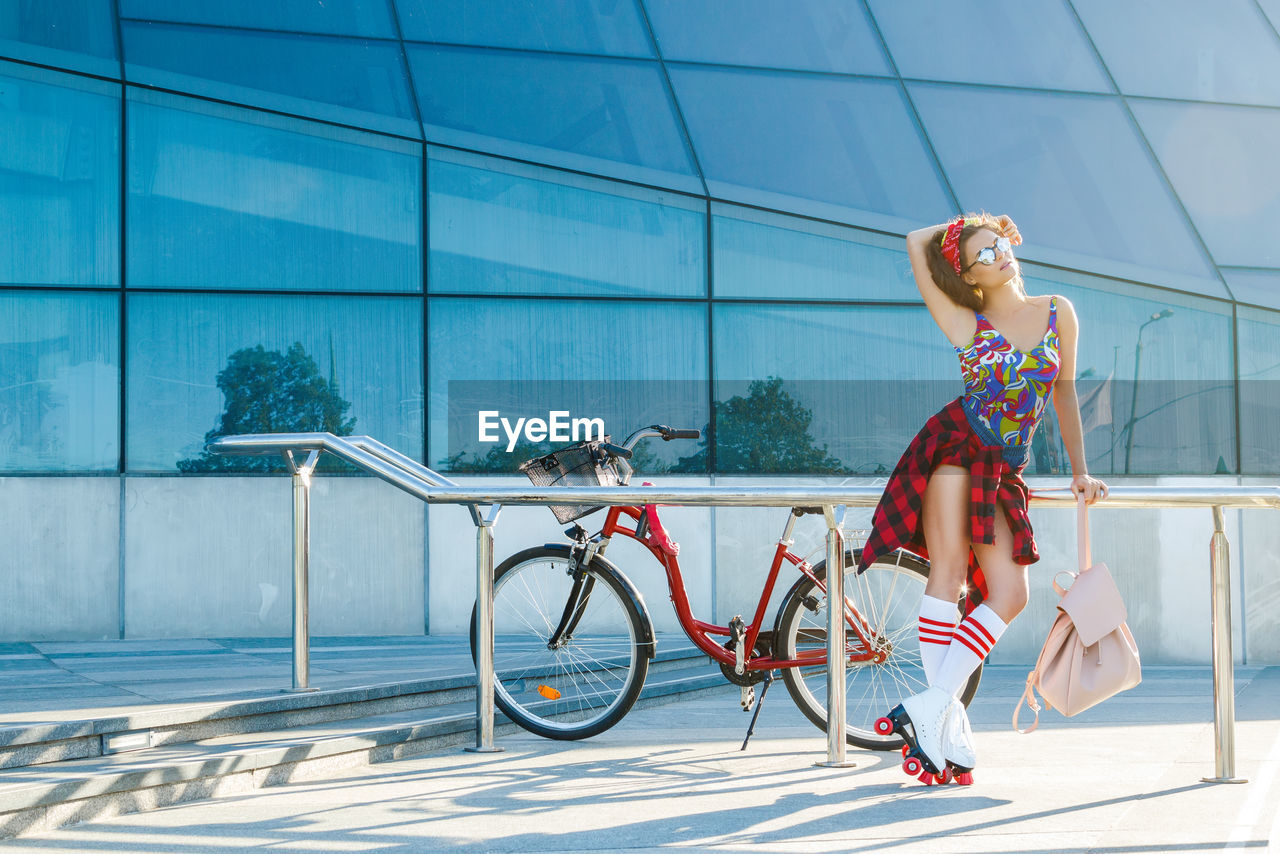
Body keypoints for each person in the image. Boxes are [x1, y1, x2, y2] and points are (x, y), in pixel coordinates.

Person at [856, 212, 1109, 786]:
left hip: (1004, 466)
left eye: (1000, 244)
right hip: (953, 450)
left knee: (1011, 592)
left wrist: (1080, 472)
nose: (999, 253)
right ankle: (945, 725)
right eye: (983, 253)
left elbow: (1065, 396)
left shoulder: (1057, 311)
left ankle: (933, 709)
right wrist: (967, 223)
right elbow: (916, 241)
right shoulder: (965, 319)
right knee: (948, 575)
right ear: (968, 276)